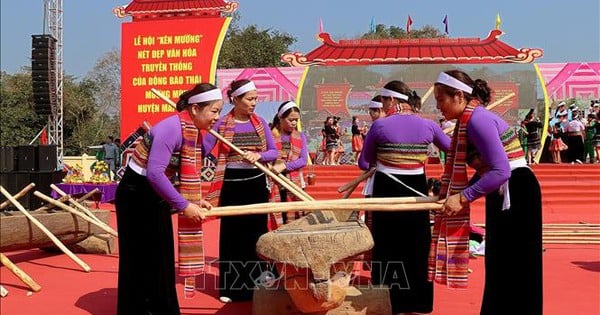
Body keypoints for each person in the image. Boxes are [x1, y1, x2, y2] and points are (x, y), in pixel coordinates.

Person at [430, 70, 542, 315]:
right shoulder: (468, 122)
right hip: (506, 190)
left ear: (458, 95)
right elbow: (489, 169)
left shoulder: (478, 120)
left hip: (516, 190)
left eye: (441, 99)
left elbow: (501, 170)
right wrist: (448, 195)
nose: (438, 106)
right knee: (501, 263)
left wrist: (462, 197)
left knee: (514, 264)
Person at [114, 83, 222, 315]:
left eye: (219, 112)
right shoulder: (172, 128)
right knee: (140, 258)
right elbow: (154, 173)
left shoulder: (192, 130)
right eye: (214, 111)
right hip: (136, 194)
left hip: (154, 194)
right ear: (195, 109)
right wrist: (184, 205)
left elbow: (198, 155)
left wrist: (193, 201)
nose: (216, 117)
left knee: (161, 257)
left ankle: (160, 309)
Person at [358, 81, 451, 314]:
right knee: (416, 245)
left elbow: (363, 162)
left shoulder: (379, 126)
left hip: (387, 189)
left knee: (388, 244)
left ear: (390, 101)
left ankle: (389, 300)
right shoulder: (428, 125)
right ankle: (416, 301)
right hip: (417, 189)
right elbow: (452, 149)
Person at [203, 79, 278, 303]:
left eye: (256, 98)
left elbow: (273, 152)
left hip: (256, 183)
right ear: (235, 99)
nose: (254, 103)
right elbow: (205, 147)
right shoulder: (222, 123)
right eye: (250, 99)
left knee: (256, 233)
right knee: (232, 235)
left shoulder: (261, 123)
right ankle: (232, 288)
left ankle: (259, 282)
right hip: (232, 183)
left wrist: (259, 156)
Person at [269, 101, 309, 225]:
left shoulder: (300, 136)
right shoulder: (270, 135)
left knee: (294, 218)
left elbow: (303, 160)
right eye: (291, 119)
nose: (294, 123)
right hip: (274, 183)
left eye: (296, 120)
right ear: (281, 118)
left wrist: (284, 166)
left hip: (294, 183)